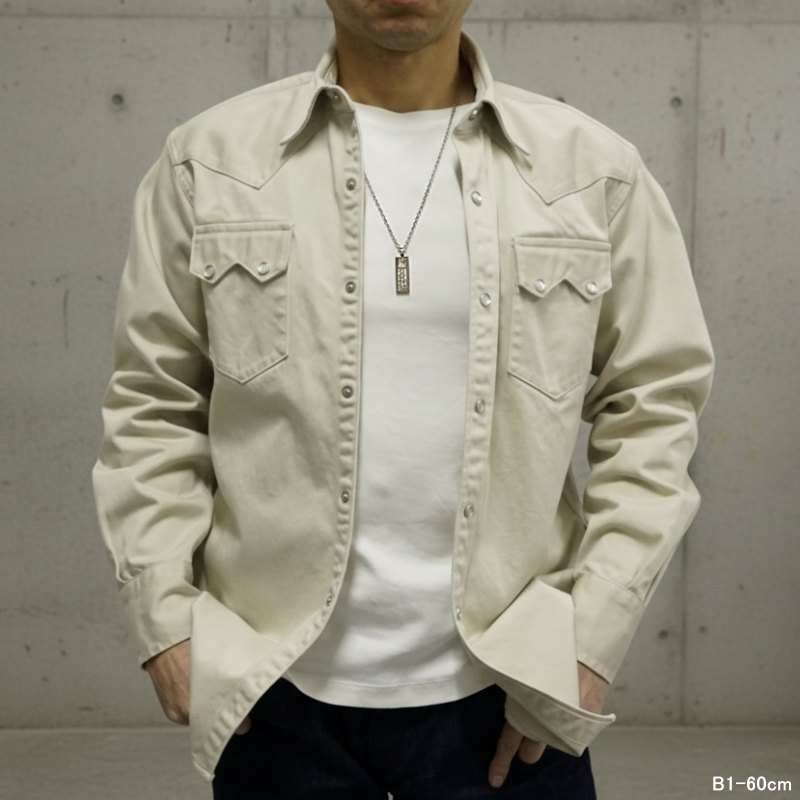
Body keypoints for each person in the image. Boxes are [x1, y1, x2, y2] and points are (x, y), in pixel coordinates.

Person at [92, 0, 714, 797]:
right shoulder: (209, 162)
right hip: (274, 689)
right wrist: (164, 624)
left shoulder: (590, 170)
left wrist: (588, 641)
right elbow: (153, 401)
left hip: (514, 679)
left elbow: (656, 405)